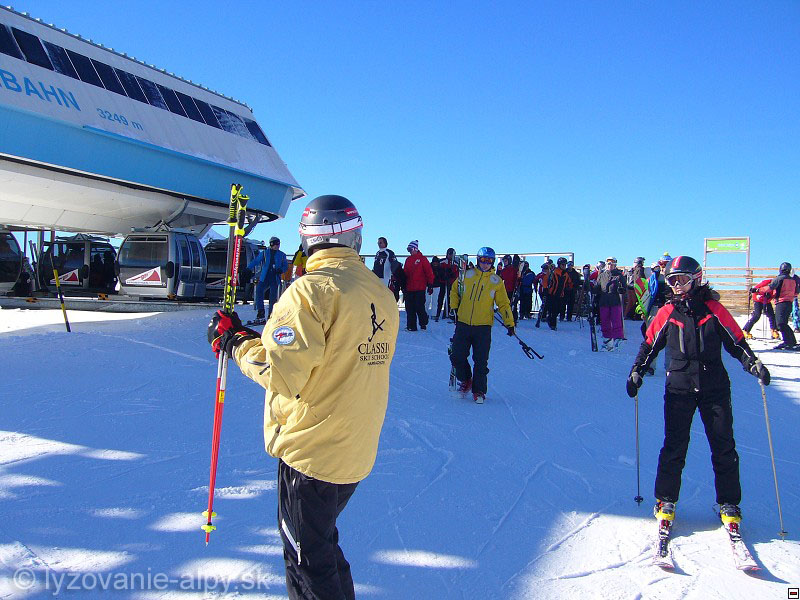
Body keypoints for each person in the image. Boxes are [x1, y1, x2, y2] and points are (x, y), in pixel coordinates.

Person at [207, 194, 399, 600]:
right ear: (353, 237)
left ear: (309, 241)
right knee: (320, 545)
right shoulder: (377, 292)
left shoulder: (311, 292)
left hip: (313, 450)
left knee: (306, 559)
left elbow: (282, 373)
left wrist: (235, 342)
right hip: (354, 444)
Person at [625, 255, 769, 532]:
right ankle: (666, 499)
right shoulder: (667, 312)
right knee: (674, 445)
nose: (677, 285)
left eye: (682, 279)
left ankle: (728, 502)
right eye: (672, 280)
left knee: (723, 445)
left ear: (696, 279)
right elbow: (649, 346)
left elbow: (736, 341)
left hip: (714, 386)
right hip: (679, 387)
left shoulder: (713, 309)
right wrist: (637, 372)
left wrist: (753, 364)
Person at [449, 247, 515, 404]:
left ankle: (479, 390)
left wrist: (509, 323)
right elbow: (454, 290)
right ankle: (466, 380)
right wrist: (455, 308)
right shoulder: (467, 275)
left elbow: (504, 304)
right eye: (483, 260)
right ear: (478, 260)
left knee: (481, 360)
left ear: (492, 262)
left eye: (489, 261)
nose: (485, 264)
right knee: (457, 355)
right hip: (464, 323)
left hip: (483, 327)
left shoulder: (496, 282)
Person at [247, 236, 288, 320]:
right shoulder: (265, 253)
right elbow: (256, 261)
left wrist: (281, 270)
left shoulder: (282, 255)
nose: (277, 246)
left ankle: (271, 313)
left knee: (273, 296)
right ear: (271, 244)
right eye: (276, 244)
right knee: (259, 291)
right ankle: (261, 311)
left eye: (278, 244)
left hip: (275, 277)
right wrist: (248, 268)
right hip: (265, 276)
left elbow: (285, 266)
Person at [764, 262, 800, 349]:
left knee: (780, 323)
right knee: (783, 323)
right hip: (789, 303)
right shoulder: (794, 279)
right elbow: (796, 292)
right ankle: (791, 341)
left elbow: (770, 287)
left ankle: (788, 342)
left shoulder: (779, 278)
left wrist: (757, 290)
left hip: (781, 302)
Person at [402, 240, 434, 331]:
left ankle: (423, 322)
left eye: (410, 249)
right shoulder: (408, 260)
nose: (409, 251)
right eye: (408, 250)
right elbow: (405, 273)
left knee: (419, 307)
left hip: (420, 287)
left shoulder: (423, 259)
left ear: (415, 248)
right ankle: (411, 326)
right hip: (409, 288)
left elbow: (429, 272)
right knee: (409, 308)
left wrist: (430, 284)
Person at [596, 256, 626, 350]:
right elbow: (598, 287)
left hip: (615, 301)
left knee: (616, 320)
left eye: (612, 264)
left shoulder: (618, 275)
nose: (610, 266)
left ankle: (618, 340)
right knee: (605, 321)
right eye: (609, 263)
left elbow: (624, 288)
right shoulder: (602, 275)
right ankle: (607, 342)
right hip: (604, 301)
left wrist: (621, 289)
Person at [548, 257, 572, 328]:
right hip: (552, 293)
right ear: (559, 265)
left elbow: (569, 282)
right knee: (553, 309)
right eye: (562, 264)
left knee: (559, 309)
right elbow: (547, 279)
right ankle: (553, 324)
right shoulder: (554, 271)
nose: (564, 266)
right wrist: (546, 288)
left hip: (560, 294)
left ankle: (550, 319)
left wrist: (570, 287)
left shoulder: (566, 274)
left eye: (565, 265)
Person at [436, 248, 459, 321]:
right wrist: (443, 274)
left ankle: (448, 313)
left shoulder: (455, 263)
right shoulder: (442, 262)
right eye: (449, 254)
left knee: (450, 298)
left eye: (452, 255)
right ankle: (438, 313)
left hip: (451, 283)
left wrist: (452, 275)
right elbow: (437, 270)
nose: (450, 256)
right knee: (440, 298)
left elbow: (457, 273)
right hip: (443, 282)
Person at [535, 262, 551, 328]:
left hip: (548, 291)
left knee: (547, 304)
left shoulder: (549, 274)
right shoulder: (541, 275)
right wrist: (535, 287)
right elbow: (535, 280)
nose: (545, 270)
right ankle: (542, 316)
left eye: (546, 269)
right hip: (543, 291)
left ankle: (544, 315)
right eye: (544, 268)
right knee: (545, 303)